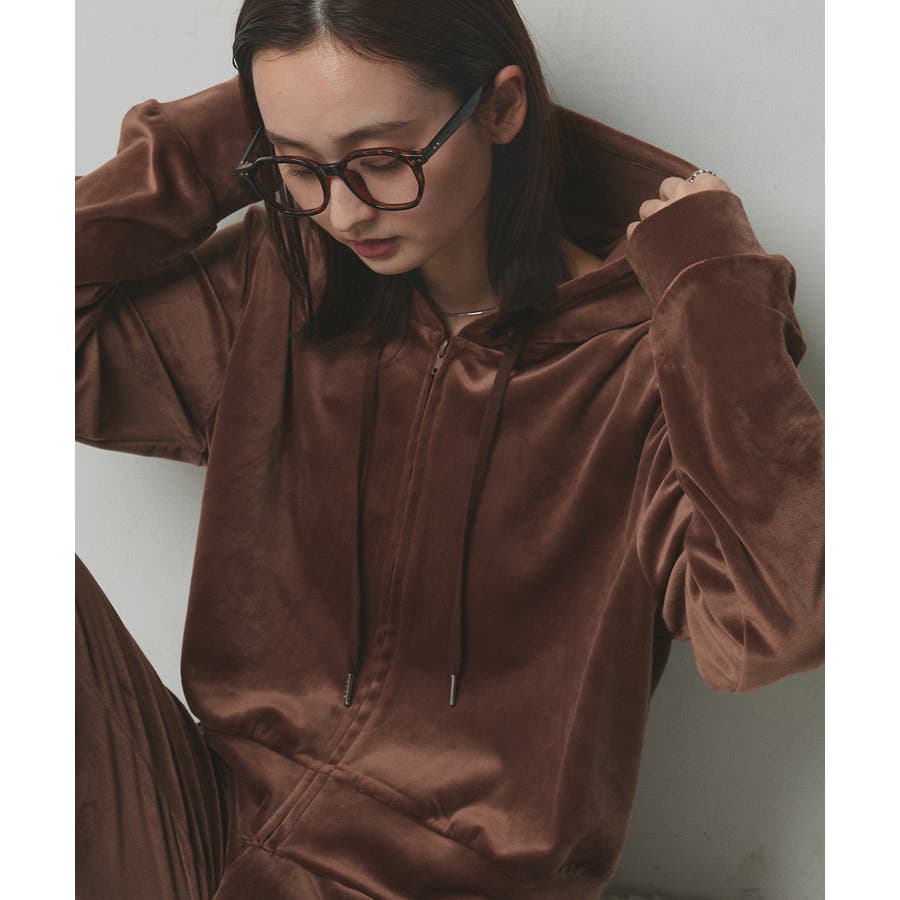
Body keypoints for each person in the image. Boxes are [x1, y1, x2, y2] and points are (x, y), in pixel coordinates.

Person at [74, 0, 825, 897]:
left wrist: (713, 286)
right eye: (301, 168)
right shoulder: (290, 277)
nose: (341, 211)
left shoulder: (649, 366)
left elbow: (777, 623)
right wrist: (216, 147)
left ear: (502, 108)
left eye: (381, 158)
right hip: (207, 830)